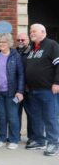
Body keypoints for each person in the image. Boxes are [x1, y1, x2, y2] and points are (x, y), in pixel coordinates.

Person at [25, 24, 59, 156]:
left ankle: (53, 143)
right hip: (33, 90)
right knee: (36, 117)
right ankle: (39, 140)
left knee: (50, 117)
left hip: (48, 90)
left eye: (34, 31)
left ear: (43, 32)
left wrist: (57, 82)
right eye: (30, 31)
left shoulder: (52, 45)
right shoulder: (32, 49)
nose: (31, 33)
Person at [0, 33, 24, 150]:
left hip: (13, 92)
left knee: (12, 117)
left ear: (9, 43)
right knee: (1, 116)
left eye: (4, 42)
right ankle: (1, 138)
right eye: (0, 42)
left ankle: (13, 139)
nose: (1, 44)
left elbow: (21, 74)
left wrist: (20, 91)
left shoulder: (15, 56)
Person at [16, 32, 32, 142]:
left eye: (23, 40)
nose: (21, 42)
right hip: (16, 90)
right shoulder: (14, 52)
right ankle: (15, 135)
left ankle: (32, 137)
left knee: (31, 114)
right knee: (15, 113)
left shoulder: (32, 52)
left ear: (28, 40)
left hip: (29, 89)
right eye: (19, 40)